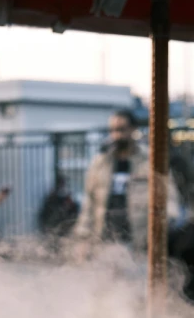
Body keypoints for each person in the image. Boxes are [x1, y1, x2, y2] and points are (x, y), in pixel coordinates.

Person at [72, 109, 180, 255]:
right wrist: (82, 236)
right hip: (105, 239)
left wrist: (166, 221)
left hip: (139, 241)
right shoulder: (101, 162)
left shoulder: (150, 160)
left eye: (121, 129)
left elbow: (169, 194)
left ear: (133, 129)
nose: (116, 135)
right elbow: (89, 203)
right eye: (113, 130)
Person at [38, 172, 79, 247]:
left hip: (63, 227)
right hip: (53, 226)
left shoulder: (65, 197)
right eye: (61, 183)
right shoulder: (52, 198)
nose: (63, 185)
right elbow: (47, 215)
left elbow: (73, 212)